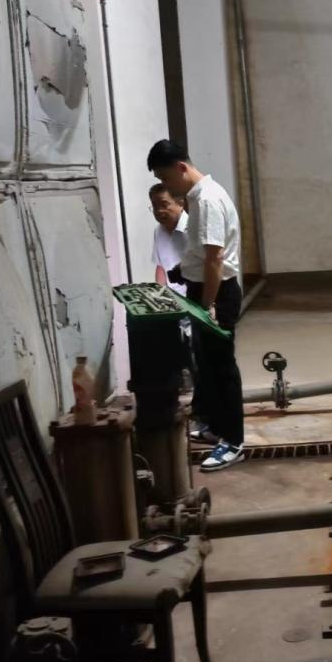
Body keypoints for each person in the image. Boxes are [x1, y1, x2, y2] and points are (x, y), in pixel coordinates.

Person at [146, 139, 246, 469]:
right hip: (203, 288)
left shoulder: (207, 200)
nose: (167, 186)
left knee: (223, 367)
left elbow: (215, 259)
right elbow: (199, 253)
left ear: (181, 168)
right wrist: (181, 270)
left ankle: (234, 441)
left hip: (217, 293)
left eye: (166, 178)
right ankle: (216, 428)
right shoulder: (197, 197)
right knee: (207, 365)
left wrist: (209, 305)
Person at [149, 183, 188, 295]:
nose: (159, 211)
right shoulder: (158, 231)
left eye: (164, 204)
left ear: (180, 204)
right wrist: (159, 295)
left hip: (195, 297)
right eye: (155, 206)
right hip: (174, 298)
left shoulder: (192, 227)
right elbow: (161, 266)